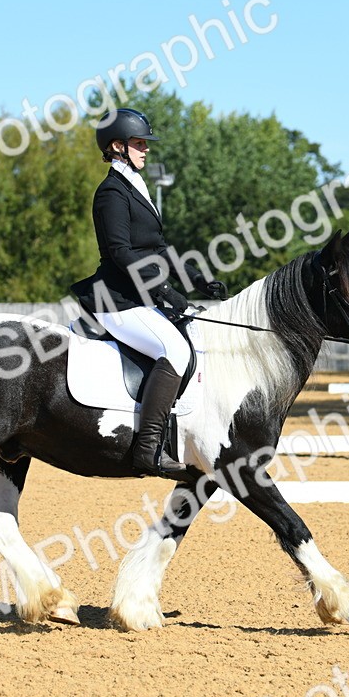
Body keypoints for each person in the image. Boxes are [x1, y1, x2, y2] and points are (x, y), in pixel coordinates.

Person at [70, 108, 228, 476]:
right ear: (117, 146)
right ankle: (148, 448)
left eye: (144, 143)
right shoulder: (111, 192)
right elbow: (121, 253)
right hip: (116, 299)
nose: (146, 150)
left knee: (191, 336)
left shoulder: (134, 187)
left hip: (137, 295)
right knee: (173, 349)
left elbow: (158, 248)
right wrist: (161, 291)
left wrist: (198, 279)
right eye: (139, 143)